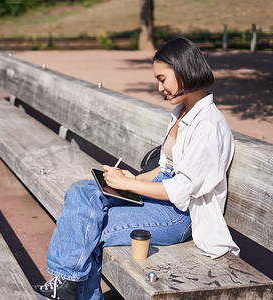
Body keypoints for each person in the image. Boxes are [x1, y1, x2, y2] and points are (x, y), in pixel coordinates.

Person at [33, 37, 240, 300]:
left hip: (180, 215)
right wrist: (135, 177)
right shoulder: (183, 112)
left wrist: (129, 185)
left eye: (162, 79)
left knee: (87, 232)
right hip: (161, 196)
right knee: (82, 192)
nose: (159, 87)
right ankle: (67, 284)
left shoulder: (208, 125)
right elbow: (167, 167)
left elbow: (183, 189)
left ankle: (66, 285)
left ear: (184, 70)